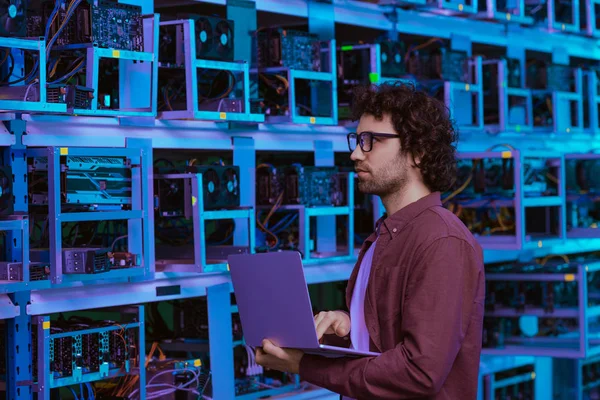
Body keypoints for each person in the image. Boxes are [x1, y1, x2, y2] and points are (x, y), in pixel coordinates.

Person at [254, 82, 485, 400]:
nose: (355, 153)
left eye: (370, 141)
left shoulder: (442, 241)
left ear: (417, 152)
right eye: (357, 140)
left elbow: (420, 373)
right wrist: (349, 327)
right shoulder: (384, 237)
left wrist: (305, 365)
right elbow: (382, 346)